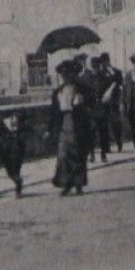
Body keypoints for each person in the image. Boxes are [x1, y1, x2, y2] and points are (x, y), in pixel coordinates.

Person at [48, 59, 92, 196]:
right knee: (63, 155)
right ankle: (66, 184)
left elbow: (94, 102)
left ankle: (78, 184)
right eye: (63, 75)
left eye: (68, 74)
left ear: (73, 74)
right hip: (64, 125)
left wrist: (82, 101)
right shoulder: (58, 92)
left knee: (78, 155)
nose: (65, 77)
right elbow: (53, 113)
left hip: (78, 125)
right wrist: (49, 129)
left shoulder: (82, 88)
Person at [0, 111, 27, 196]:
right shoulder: (4, 124)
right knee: (9, 171)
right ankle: (17, 181)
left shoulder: (23, 126)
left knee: (16, 170)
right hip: (6, 151)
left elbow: (27, 136)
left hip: (18, 151)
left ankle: (18, 188)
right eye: (15, 120)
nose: (16, 123)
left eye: (18, 122)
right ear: (13, 117)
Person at [97, 54, 126, 154]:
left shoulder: (116, 72)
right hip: (103, 103)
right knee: (104, 126)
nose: (104, 64)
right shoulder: (99, 73)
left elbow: (121, 82)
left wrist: (112, 73)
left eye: (105, 61)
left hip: (114, 102)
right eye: (102, 62)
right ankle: (106, 147)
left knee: (115, 124)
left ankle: (119, 143)